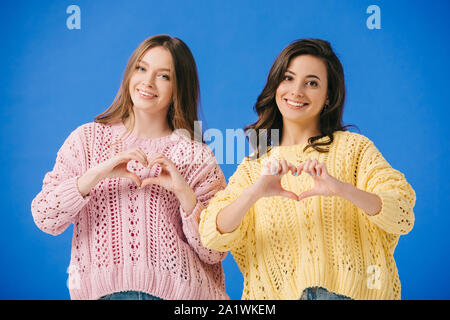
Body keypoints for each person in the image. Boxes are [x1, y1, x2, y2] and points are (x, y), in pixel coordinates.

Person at [199, 38, 416, 300]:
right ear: (276, 85)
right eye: (288, 78)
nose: (297, 91)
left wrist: (342, 189)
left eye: (312, 83)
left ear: (328, 97)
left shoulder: (354, 148)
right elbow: (212, 235)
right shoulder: (254, 168)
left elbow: (401, 211)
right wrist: (254, 193)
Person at [31, 35, 229, 300]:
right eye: (141, 68)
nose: (147, 82)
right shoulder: (87, 140)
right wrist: (96, 175)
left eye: (164, 76)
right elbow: (45, 217)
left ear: (179, 87)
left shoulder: (196, 156)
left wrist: (185, 194)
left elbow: (215, 252)